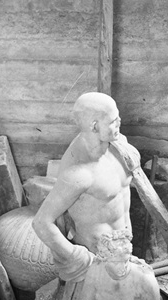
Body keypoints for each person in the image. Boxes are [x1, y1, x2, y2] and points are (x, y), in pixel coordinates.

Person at [32, 92, 138, 281]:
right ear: (94, 126)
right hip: (97, 262)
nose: (119, 123)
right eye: (113, 120)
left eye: (118, 117)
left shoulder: (119, 145)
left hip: (124, 251)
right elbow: (41, 222)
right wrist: (76, 257)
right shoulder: (79, 173)